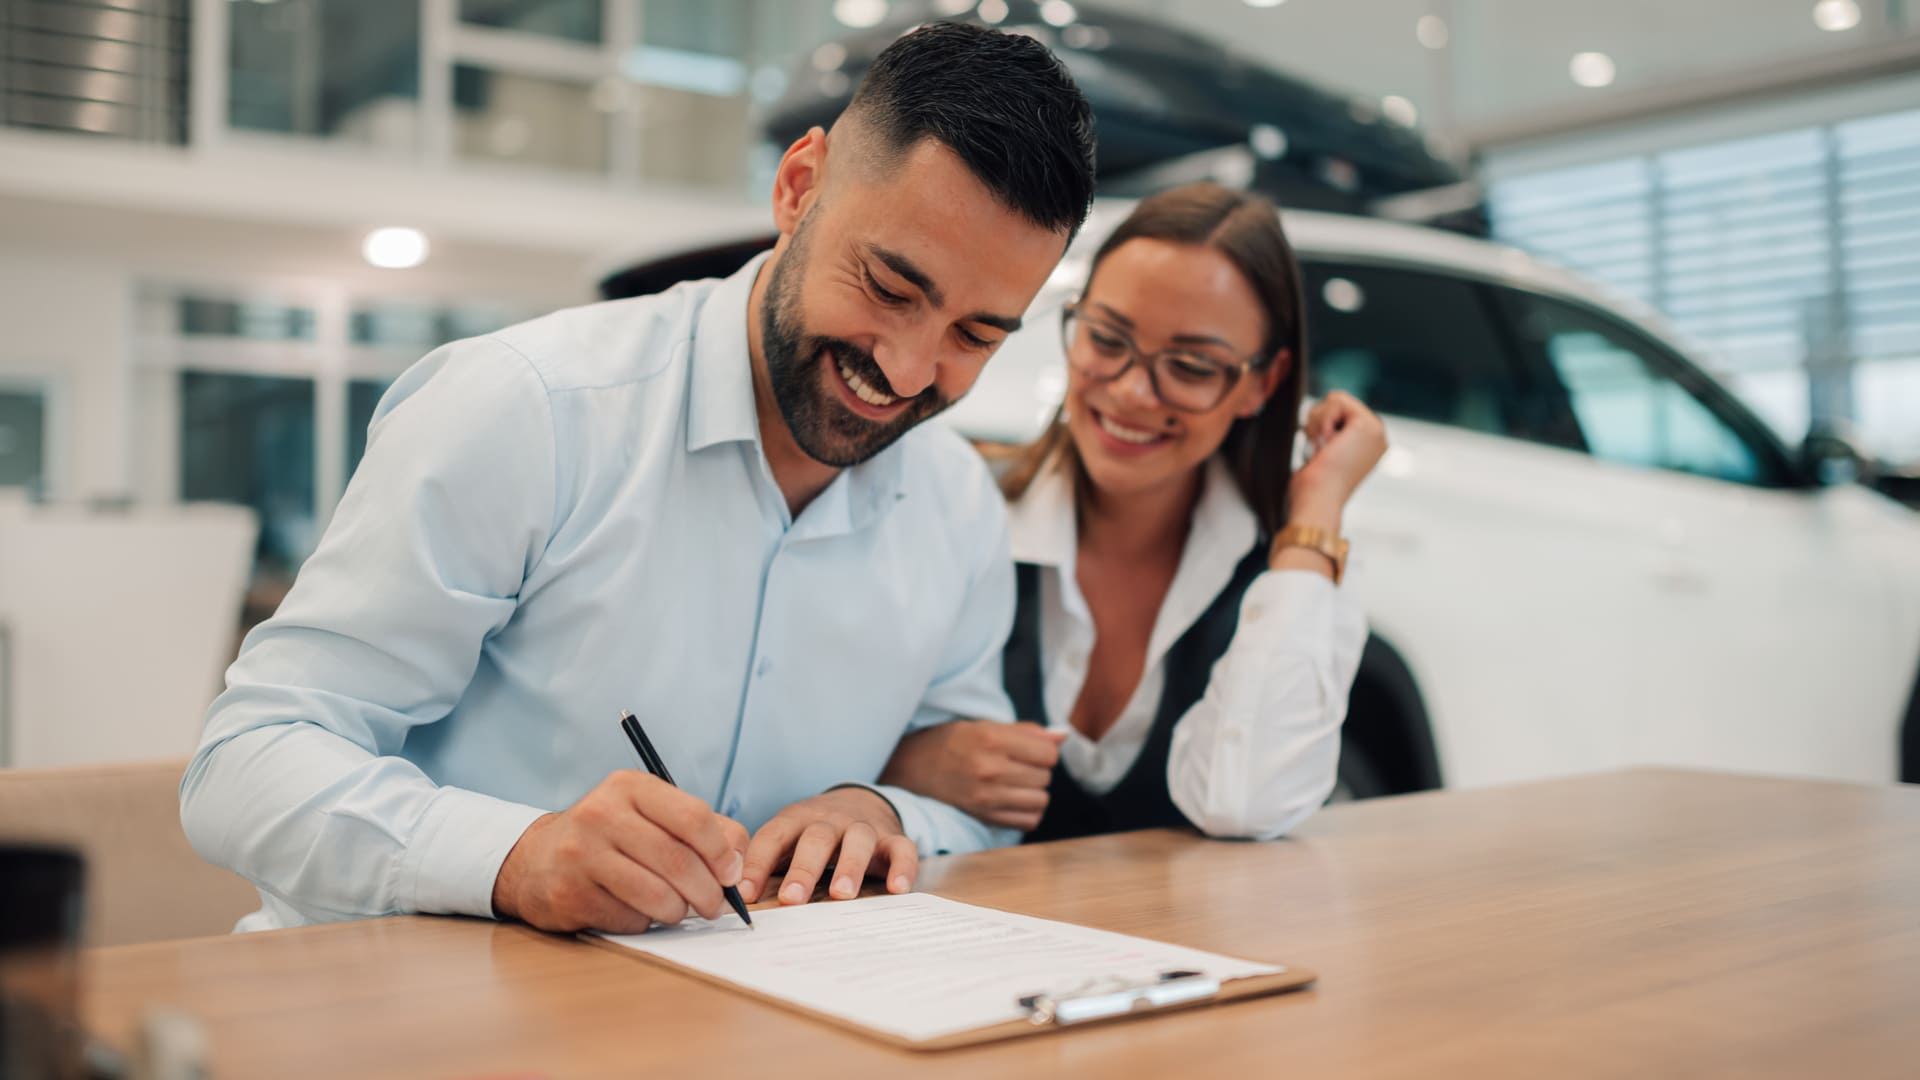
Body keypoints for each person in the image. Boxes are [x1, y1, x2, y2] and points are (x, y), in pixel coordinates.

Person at [179, 22, 1097, 934]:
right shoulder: (526, 410)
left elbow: (972, 806)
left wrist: (881, 812)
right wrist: (514, 857)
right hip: (407, 996)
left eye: (975, 335)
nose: (905, 368)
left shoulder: (959, 505)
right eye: (890, 290)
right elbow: (247, 761)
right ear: (798, 187)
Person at [879, 183, 1386, 842]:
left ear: (1263, 382)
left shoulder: (1292, 572)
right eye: (1107, 338)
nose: (1132, 391)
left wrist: (1316, 511)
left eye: (1191, 365)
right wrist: (908, 763)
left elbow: (1246, 804)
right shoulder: (964, 510)